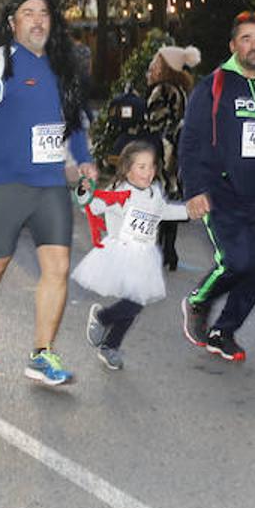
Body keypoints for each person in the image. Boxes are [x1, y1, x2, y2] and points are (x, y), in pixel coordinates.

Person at [0, 0, 96, 386]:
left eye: (44, 14)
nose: (37, 20)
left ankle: (41, 352)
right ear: (13, 22)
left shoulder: (64, 67)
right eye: (28, 13)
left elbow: (76, 122)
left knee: (58, 268)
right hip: (6, 183)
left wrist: (83, 160)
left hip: (51, 184)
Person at [178, 10, 255, 362]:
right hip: (219, 193)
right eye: (246, 38)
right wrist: (193, 190)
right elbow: (190, 141)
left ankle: (223, 332)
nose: (254, 45)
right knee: (234, 262)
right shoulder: (214, 86)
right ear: (234, 44)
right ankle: (198, 302)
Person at [72, 140, 191, 370]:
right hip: (121, 252)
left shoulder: (154, 191)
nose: (149, 172)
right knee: (135, 303)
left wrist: (187, 211)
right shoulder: (119, 192)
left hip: (144, 255)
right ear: (127, 169)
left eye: (152, 166)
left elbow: (162, 211)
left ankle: (109, 345)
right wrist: (84, 190)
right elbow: (92, 205)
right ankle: (103, 320)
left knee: (136, 302)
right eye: (142, 167)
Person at [145, 44, 200, 270]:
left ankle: (158, 251)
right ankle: (170, 250)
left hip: (161, 150)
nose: (153, 66)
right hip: (177, 151)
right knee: (171, 197)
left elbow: (153, 121)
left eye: (157, 63)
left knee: (157, 200)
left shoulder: (163, 89)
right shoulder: (181, 90)